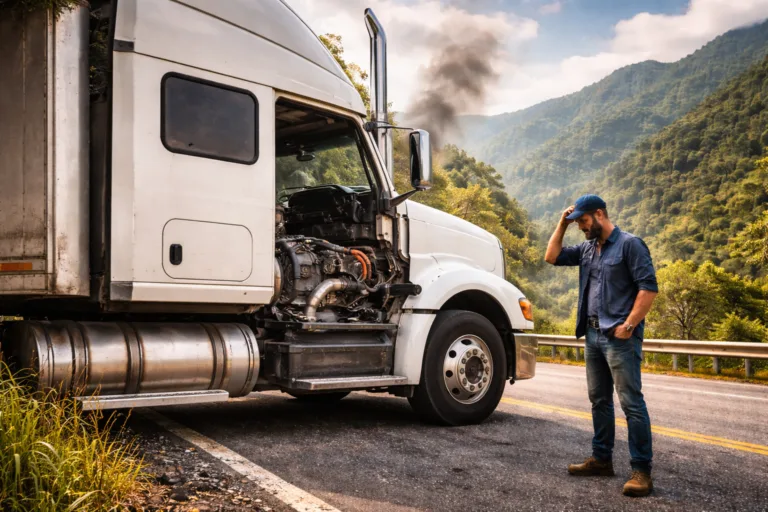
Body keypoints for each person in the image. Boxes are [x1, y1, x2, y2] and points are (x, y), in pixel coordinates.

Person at [544, 194, 658, 497]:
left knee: (631, 403)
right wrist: (561, 223)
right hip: (593, 336)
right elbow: (551, 256)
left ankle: (641, 472)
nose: (581, 226)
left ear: (599, 214)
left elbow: (648, 288)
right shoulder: (587, 249)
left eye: (583, 220)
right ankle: (601, 459)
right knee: (599, 401)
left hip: (619, 338)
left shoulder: (630, 245)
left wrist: (629, 325)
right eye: (578, 222)